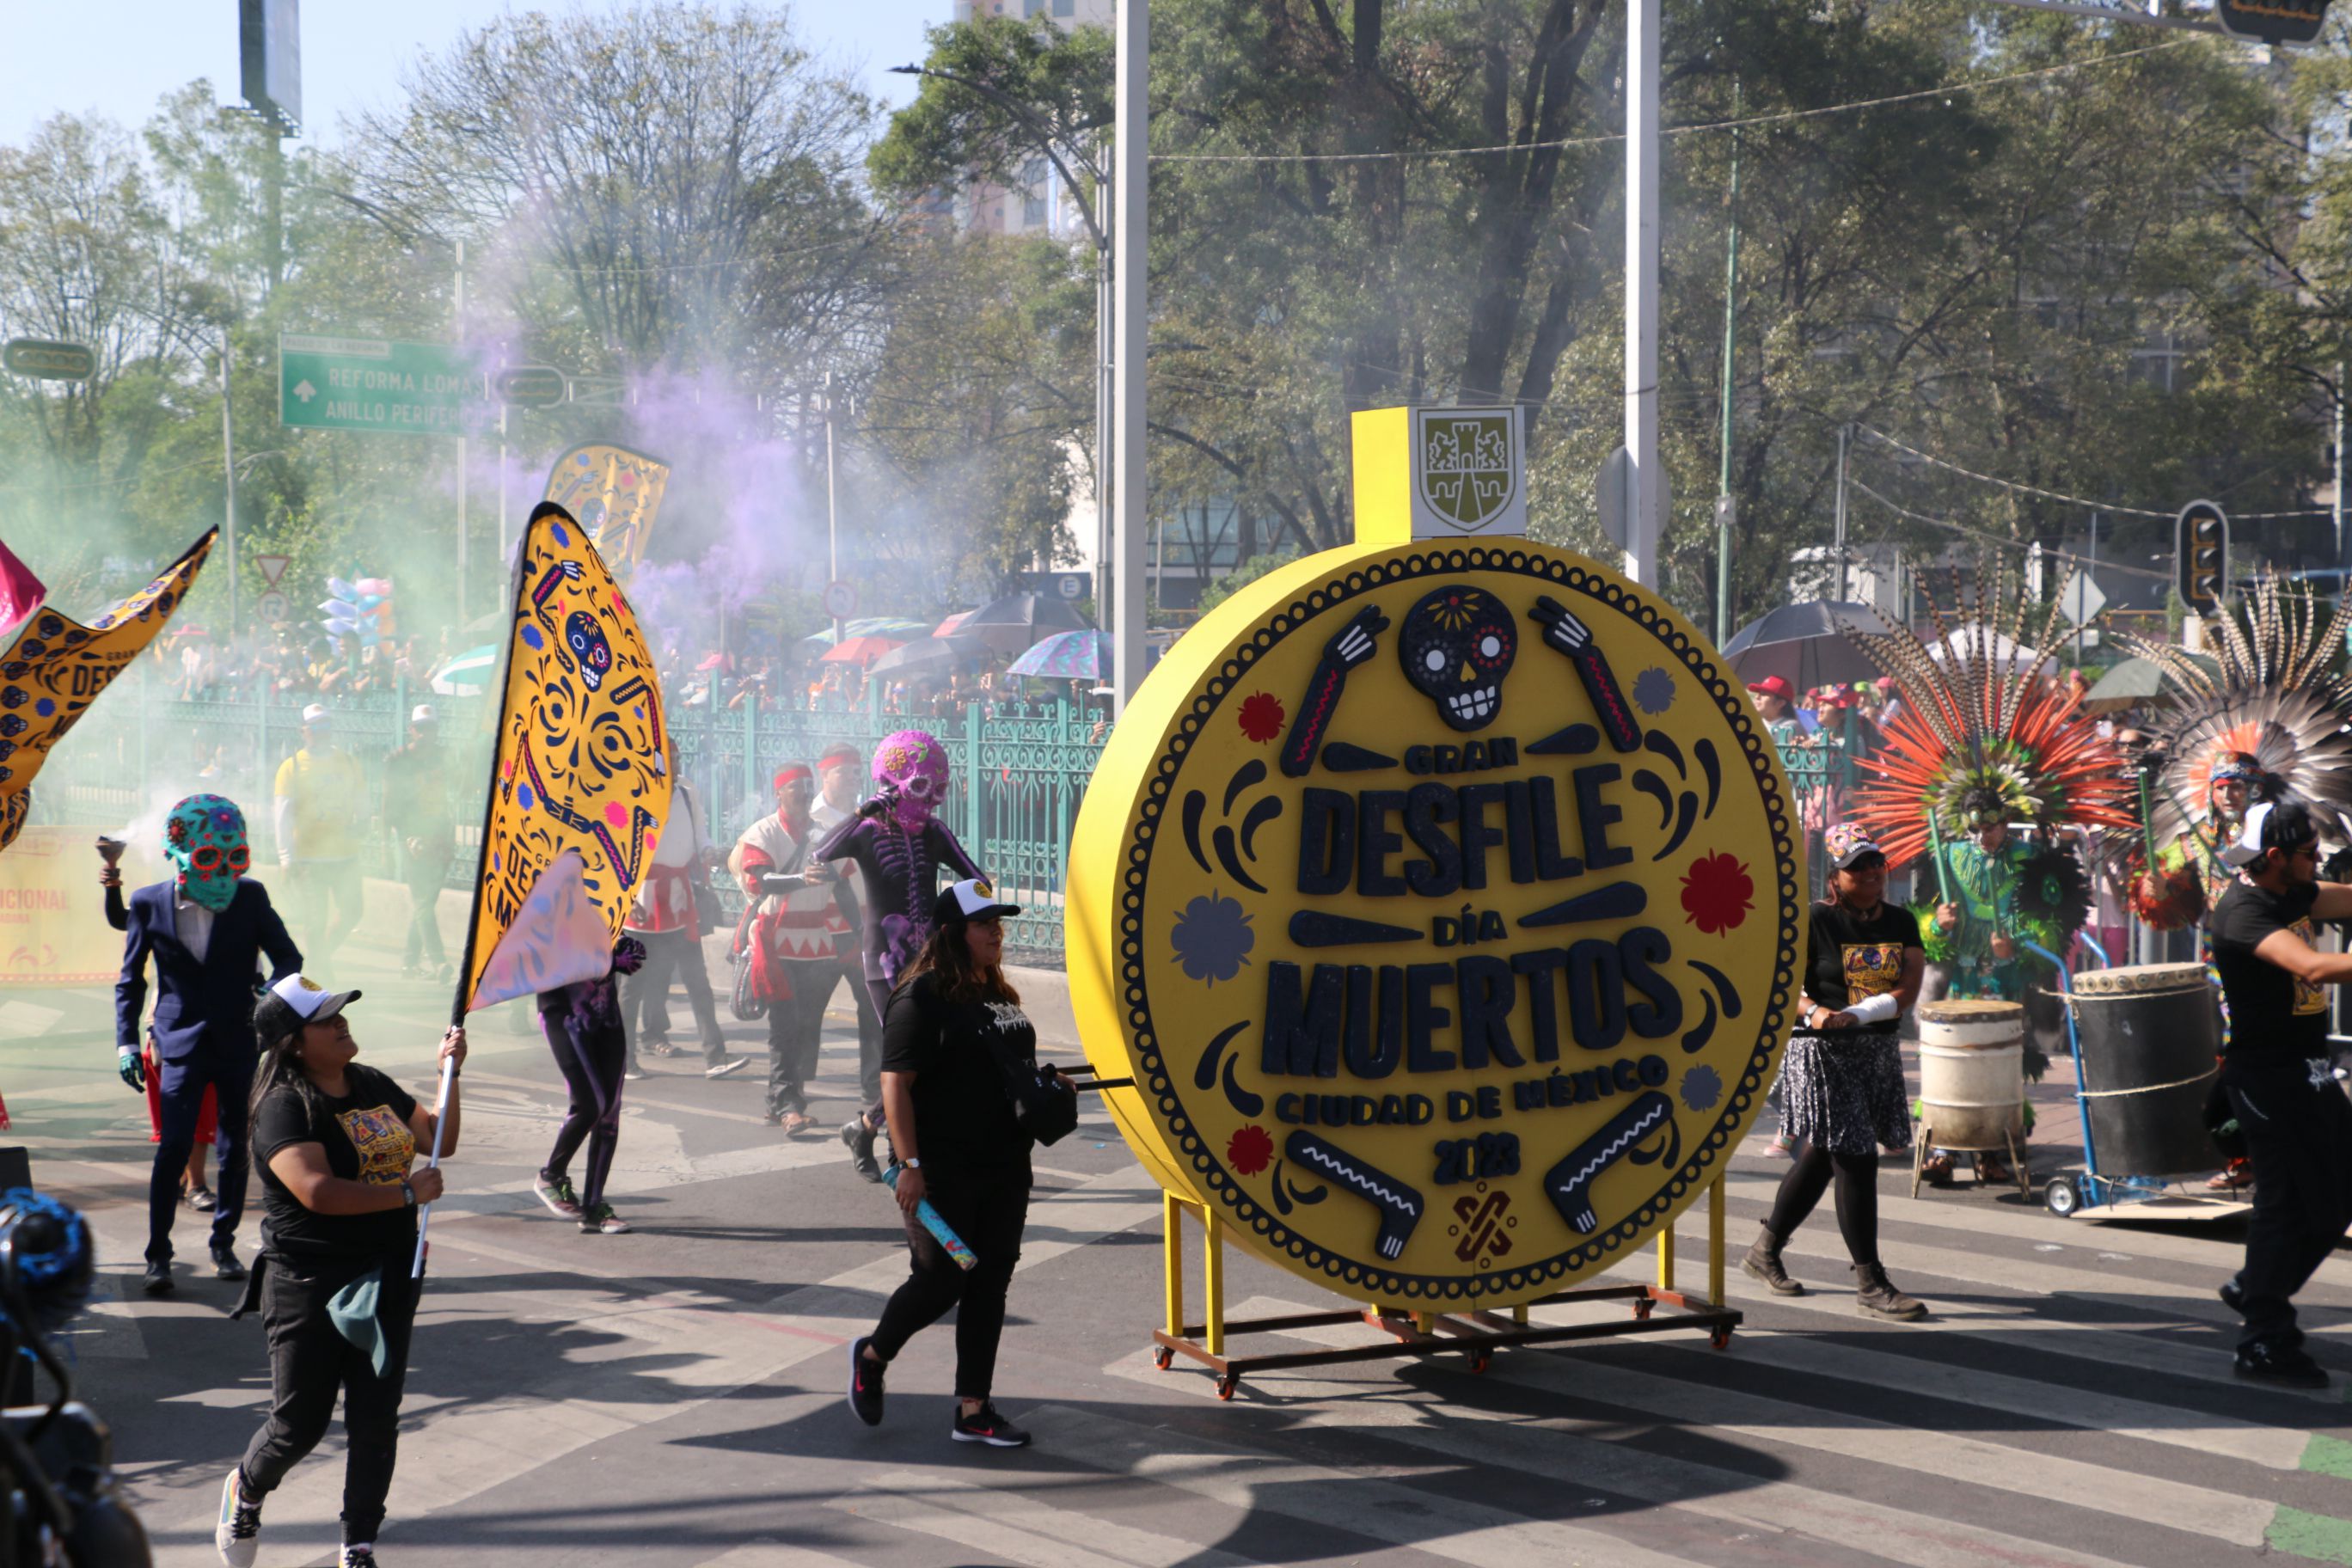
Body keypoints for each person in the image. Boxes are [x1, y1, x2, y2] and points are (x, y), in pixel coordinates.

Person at [215, 975, 465, 1568]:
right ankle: (246, 1490)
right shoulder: (283, 1106)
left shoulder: (371, 1082)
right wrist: (406, 1195)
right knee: (298, 1424)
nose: (341, 1023)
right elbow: (318, 1192)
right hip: (311, 1283)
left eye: (340, 1013)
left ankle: (358, 1543)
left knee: (376, 1419)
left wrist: (450, 1074)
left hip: (389, 1274)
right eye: (326, 1019)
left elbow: (439, 1139)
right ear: (294, 1042)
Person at [847, 879, 1066, 1447]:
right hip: (942, 1171)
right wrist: (910, 1163)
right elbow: (894, 1084)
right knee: (942, 1280)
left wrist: (1047, 1086)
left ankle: (974, 1409)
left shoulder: (999, 996)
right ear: (952, 933)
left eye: (999, 922)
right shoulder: (920, 998)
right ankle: (872, 1357)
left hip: (1005, 1164)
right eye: (983, 924)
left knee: (990, 1281)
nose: (996, 932)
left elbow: (1008, 1069)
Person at [116, 795, 302, 1296]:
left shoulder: (250, 896)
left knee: (233, 1146)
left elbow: (289, 958)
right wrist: (126, 1044)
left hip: (239, 1038)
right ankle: (158, 1254)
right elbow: (130, 980)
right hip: (178, 1041)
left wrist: (268, 998)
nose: (221, 872)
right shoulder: (149, 902)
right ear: (179, 853)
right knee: (173, 1146)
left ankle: (224, 1241)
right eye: (207, 858)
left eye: (232, 858)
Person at [1744, 826, 1928, 1321]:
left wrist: (1864, 1014)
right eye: (1858, 867)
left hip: (1874, 1049)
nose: (1872, 874)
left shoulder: (1901, 920)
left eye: (1876, 864)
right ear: (1836, 876)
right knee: (1855, 1157)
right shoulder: (1812, 920)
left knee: (1823, 1155)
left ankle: (1764, 1251)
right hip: (1822, 1052)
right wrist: (1818, 1014)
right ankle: (1870, 1281)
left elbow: (1910, 985)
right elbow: (1781, 986)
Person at [2204, 800, 2352, 1387]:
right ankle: (2262, 1337)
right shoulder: (2242, 910)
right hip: (2263, 1076)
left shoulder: (2294, 889)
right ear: (2274, 858)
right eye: (2308, 854)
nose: (2316, 862)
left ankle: (2256, 1285)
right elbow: (2312, 969)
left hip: (2309, 1070)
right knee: (2286, 1201)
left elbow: (2346, 898)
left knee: (2339, 1192)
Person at [816, 731, 987, 1182]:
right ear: (891, 782)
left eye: (937, 789)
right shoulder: (868, 832)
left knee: (931, 1057)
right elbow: (823, 854)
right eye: (918, 787)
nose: (928, 799)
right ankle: (904, 1153)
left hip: (930, 963)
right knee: (907, 1059)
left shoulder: (934, 831)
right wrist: (861, 811)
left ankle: (866, 1126)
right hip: (882, 963)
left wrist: (951, 919)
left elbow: (977, 880)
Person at [102, 836, 219, 1211]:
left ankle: (191, 1179)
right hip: (168, 1022)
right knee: (179, 1105)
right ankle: (191, 1181)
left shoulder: (237, 901)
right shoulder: (157, 903)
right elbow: (121, 921)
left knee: (204, 1104)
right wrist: (112, 876)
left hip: (221, 1023)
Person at [732, 763, 849, 1131]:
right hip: (776, 944)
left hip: (817, 945)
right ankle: (787, 1105)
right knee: (785, 1027)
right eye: (795, 786)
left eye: (808, 785)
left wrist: (857, 935)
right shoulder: (763, 832)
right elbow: (762, 879)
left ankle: (781, 1100)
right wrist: (800, 878)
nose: (803, 791)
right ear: (779, 791)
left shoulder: (823, 834)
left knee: (805, 1027)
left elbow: (842, 887)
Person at [621, 774, 741, 1077]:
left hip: (678, 899)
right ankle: (623, 1060)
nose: (672, 766)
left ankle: (716, 1058)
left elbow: (699, 831)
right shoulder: (629, 789)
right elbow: (614, 845)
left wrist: (706, 850)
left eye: (675, 759)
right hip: (642, 902)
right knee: (632, 987)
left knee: (697, 981)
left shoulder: (687, 791)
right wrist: (624, 895)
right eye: (666, 759)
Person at [811, 742, 885, 1176]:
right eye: (844, 772)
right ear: (827, 775)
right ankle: (790, 1093)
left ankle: (871, 1088)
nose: (852, 778)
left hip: (865, 932)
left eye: (857, 772)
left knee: (873, 1015)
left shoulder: (871, 814)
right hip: (824, 933)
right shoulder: (815, 820)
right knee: (807, 1014)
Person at [533, 938, 643, 1234]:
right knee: (590, 1105)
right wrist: (607, 963)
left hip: (606, 1014)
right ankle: (551, 1176)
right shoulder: (547, 903)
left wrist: (624, 948)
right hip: (565, 1013)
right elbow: (538, 959)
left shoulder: (604, 899)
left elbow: (612, 939)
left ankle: (594, 1207)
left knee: (609, 1114)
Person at [273, 705, 367, 962]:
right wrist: (286, 859)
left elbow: (360, 798)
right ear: (303, 731)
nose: (320, 733)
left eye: (325, 727)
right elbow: (282, 817)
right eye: (314, 728)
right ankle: (320, 971)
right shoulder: (291, 767)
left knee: (353, 910)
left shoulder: (348, 761)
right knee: (315, 921)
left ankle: (317, 960)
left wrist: (365, 821)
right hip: (309, 860)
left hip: (345, 855)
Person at [383, 705, 454, 982]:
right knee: (423, 901)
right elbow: (387, 804)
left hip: (441, 838)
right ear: (412, 730)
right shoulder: (398, 760)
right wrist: (386, 845)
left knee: (427, 901)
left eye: (431, 728)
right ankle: (439, 961)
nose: (426, 734)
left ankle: (409, 963)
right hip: (412, 838)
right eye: (420, 728)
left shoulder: (444, 757)